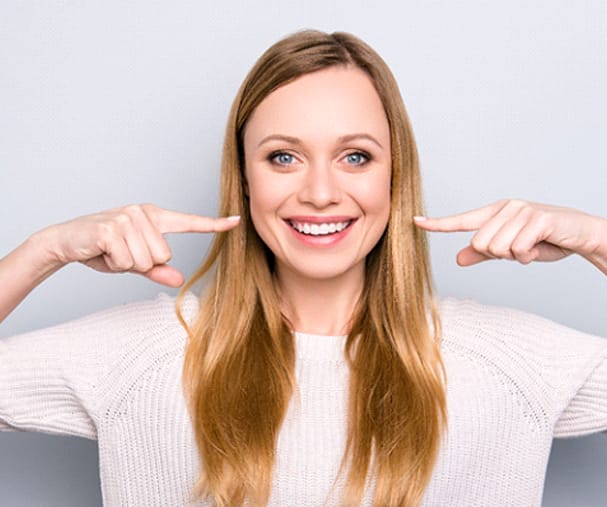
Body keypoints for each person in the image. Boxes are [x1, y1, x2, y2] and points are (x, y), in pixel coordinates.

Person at [1, 29, 606, 507]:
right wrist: (44, 251)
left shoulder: (508, 362)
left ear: (396, 176)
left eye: (356, 156)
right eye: (283, 157)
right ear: (244, 177)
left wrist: (595, 239)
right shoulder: (138, 355)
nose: (320, 192)